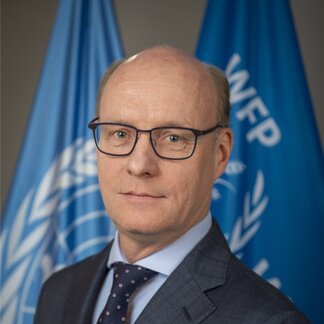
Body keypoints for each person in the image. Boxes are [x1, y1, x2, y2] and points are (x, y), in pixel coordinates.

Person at [34, 46, 308, 324]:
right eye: (120, 133)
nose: (139, 166)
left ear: (220, 154)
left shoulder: (270, 320)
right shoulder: (58, 291)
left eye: (174, 138)